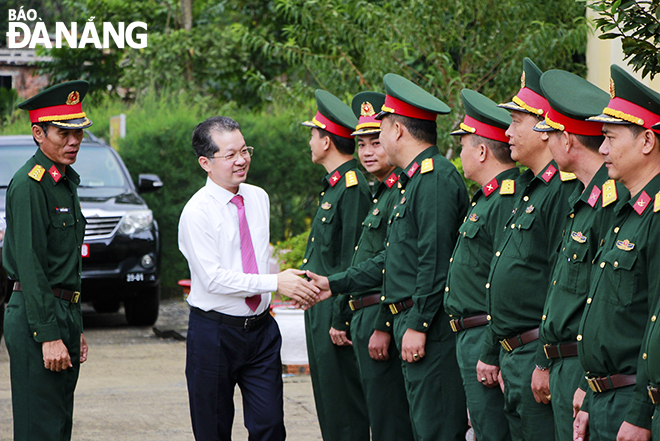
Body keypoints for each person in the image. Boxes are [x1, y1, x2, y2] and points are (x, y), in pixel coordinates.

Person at [309, 73, 470, 441]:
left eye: (379, 130)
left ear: (397, 130)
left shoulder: (432, 179)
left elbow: (434, 260)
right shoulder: (411, 182)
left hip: (424, 326)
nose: (373, 141)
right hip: (404, 320)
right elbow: (391, 261)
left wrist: (420, 323)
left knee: (435, 428)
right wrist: (333, 284)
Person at [178, 116, 320, 441]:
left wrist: (288, 278)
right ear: (206, 162)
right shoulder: (197, 213)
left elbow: (256, 256)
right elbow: (213, 279)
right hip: (214, 334)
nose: (242, 160)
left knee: (270, 426)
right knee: (212, 430)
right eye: (230, 155)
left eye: (245, 150)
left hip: (260, 332)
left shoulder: (258, 197)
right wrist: (275, 283)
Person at [476, 58, 579, 441]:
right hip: (513, 352)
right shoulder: (530, 187)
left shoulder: (561, 190)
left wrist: (541, 359)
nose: (507, 132)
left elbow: (559, 281)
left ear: (542, 127)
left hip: (536, 352)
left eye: (516, 121)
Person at [531, 69, 620, 441]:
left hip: (583, 370)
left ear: (566, 141)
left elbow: (602, 303)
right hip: (562, 364)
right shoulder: (581, 199)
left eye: (549, 134)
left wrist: (587, 379)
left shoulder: (609, 204)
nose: (546, 144)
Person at [573, 65, 660, 441]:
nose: (602, 148)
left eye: (609, 137)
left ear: (646, 141)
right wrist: (591, 397)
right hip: (605, 397)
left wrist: (640, 412)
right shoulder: (626, 211)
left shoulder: (655, 215)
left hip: (632, 403)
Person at [3, 81, 93, 441]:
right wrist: (48, 335)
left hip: (61, 314)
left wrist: (75, 325)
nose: (73, 141)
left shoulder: (64, 183)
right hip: (35, 318)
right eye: (63, 132)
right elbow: (31, 267)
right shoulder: (29, 185)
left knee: (57, 426)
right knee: (39, 430)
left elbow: (66, 266)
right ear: (38, 132)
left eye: (78, 132)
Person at [444, 88, 517, 441]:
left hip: (485, 335)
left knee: (493, 432)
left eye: (463, 146)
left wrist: (489, 345)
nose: (460, 154)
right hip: (470, 335)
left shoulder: (505, 199)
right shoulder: (487, 198)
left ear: (483, 150)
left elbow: (502, 281)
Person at [299, 90, 372, 441]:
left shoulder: (352, 188)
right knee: (329, 401)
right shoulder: (334, 187)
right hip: (319, 310)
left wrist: (342, 316)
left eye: (313, 134)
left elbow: (351, 258)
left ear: (326, 141)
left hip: (334, 312)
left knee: (345, 406)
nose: (310, 142)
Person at [346, 91, 414, 441]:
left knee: (391, 420)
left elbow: (395, 265)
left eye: (375, 141)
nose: (368, 151)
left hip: (379, 316)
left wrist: (384, 324)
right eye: (361, 145)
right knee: (377, 413)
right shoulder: (382, 193)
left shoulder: (401, 191)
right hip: (365, 316)